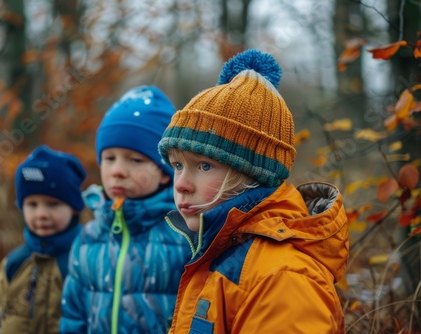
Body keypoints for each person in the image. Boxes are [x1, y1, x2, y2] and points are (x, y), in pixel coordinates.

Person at [157, 49, 349, 333]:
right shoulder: (219, 250)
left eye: (204, 166)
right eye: (177, 165)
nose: (181, 184)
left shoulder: (282, 277)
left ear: (252, 175)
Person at [60, 85, 191, 334]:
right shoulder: (89, 237)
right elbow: (74, 314)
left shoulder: (186, 233)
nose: (117, 171)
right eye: (109, 158)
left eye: (135, 160)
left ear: (166, 173)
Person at [0, 145, 87, 334]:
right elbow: (3, 313)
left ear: (73, 207)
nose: (42, 214)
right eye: (32, 204)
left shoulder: (85, 259)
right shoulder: (14, 263)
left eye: (53, 204)